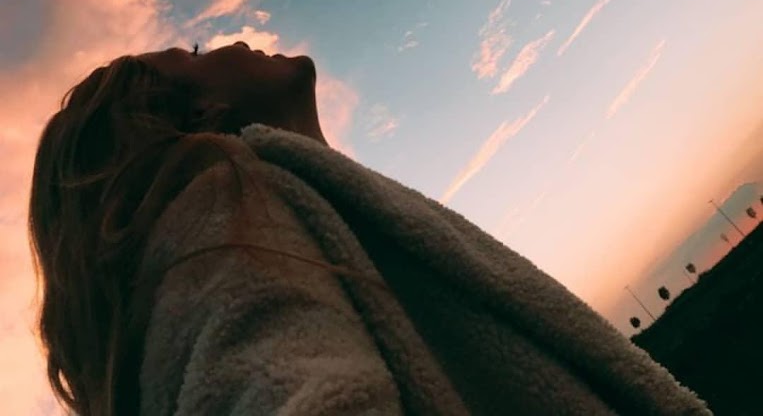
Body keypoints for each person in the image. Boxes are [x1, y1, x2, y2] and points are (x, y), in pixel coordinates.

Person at [29, 42, 712, 416]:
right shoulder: (216, 219)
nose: (232, 40)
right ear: (199, 111)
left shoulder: (283, 213)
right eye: (196, 51)